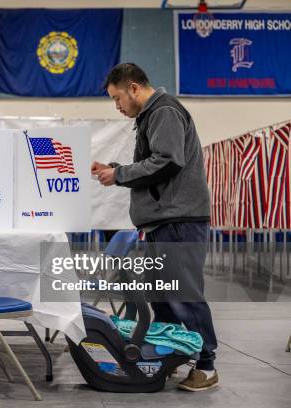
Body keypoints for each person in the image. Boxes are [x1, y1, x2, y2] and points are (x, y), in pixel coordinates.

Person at [91, 63, 218, 391]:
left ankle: (206, 364)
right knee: (162, 298)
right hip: (163, 221)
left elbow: (168, 160)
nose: (117, 106)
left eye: (117, 98)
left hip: (178, 221)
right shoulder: (151, 116)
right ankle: (172, 356)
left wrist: (119, 175)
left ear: (134, 88)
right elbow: (155, 164)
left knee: (183, 295)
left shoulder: (163, 111)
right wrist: (116, 169)